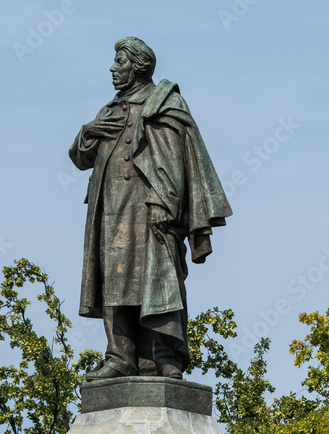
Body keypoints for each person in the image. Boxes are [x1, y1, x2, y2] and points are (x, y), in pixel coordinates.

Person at [69, 36, 232, 381]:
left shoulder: (165, 104)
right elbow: (81, 158)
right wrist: (88, 132)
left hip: (152, 210)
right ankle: (119, 357)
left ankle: (164, 356)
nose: (113, 69)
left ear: (139, 66)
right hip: (112, 213)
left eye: (120, 63)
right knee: (115, 281)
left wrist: (166, 204)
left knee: (159, 280)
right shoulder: (110, 110)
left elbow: (178, 162)